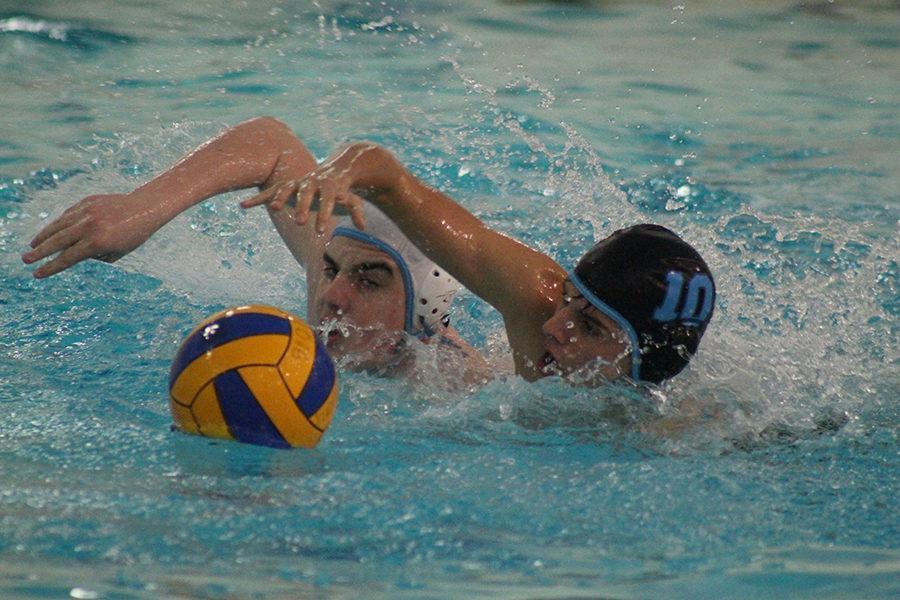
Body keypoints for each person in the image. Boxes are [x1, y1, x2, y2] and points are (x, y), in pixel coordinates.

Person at [22, 117, 488, 383]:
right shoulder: (334, 280)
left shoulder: (452, 386)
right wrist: (143, 208)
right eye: (328, 268)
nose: (332, 297)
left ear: (421, 314)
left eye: (369, 280)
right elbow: (273, 142)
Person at [242, 138, 716, 387]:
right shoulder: (536, 301)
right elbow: (390, 180)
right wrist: (340, 174)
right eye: (570, 300)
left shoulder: (673, 434)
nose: (556, 326)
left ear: (640, 363)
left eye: (589, 328)